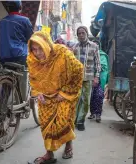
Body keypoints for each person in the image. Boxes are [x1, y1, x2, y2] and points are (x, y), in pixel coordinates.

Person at [27, 31, 84, 164]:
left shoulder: (62, 53)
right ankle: (49, 153)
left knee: (64, 121)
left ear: (47, 44)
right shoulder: (32, 60)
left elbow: (79, 71)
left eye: (40, 48)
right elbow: (33, 79)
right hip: (46, 97)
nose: (38, 53)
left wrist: (64, 93)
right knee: (46, 126)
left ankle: (68, 145)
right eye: (34, 49)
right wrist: (37, 92)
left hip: (65, 94)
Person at [73, 26, 101, 131]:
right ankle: (74, 120)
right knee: (76, 99)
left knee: (85, 101)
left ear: (86, 33)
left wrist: (96, 77)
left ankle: (80, 121)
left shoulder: (94, 46)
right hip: (76, 78)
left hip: (88, 78)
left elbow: (98, 63)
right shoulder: (75, 47)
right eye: (79, 33)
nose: (81, 35)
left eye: (82, 33)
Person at [0, 0, 33, 65]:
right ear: (20, 7)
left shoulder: (1, 22)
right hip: (20, 56)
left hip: (4, 57)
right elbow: (31, 39)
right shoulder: (25, 20)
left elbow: (0, 40)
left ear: (8, 8)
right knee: (22, 74)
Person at [88, 40, 109, 123]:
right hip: (89, 78)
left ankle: (98, 114)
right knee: (92, 96)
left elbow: (104, 67)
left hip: (99, 79)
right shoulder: (88, 54)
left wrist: (97, 75)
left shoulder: (102, 55)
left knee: (99, 96)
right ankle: (92, 113)